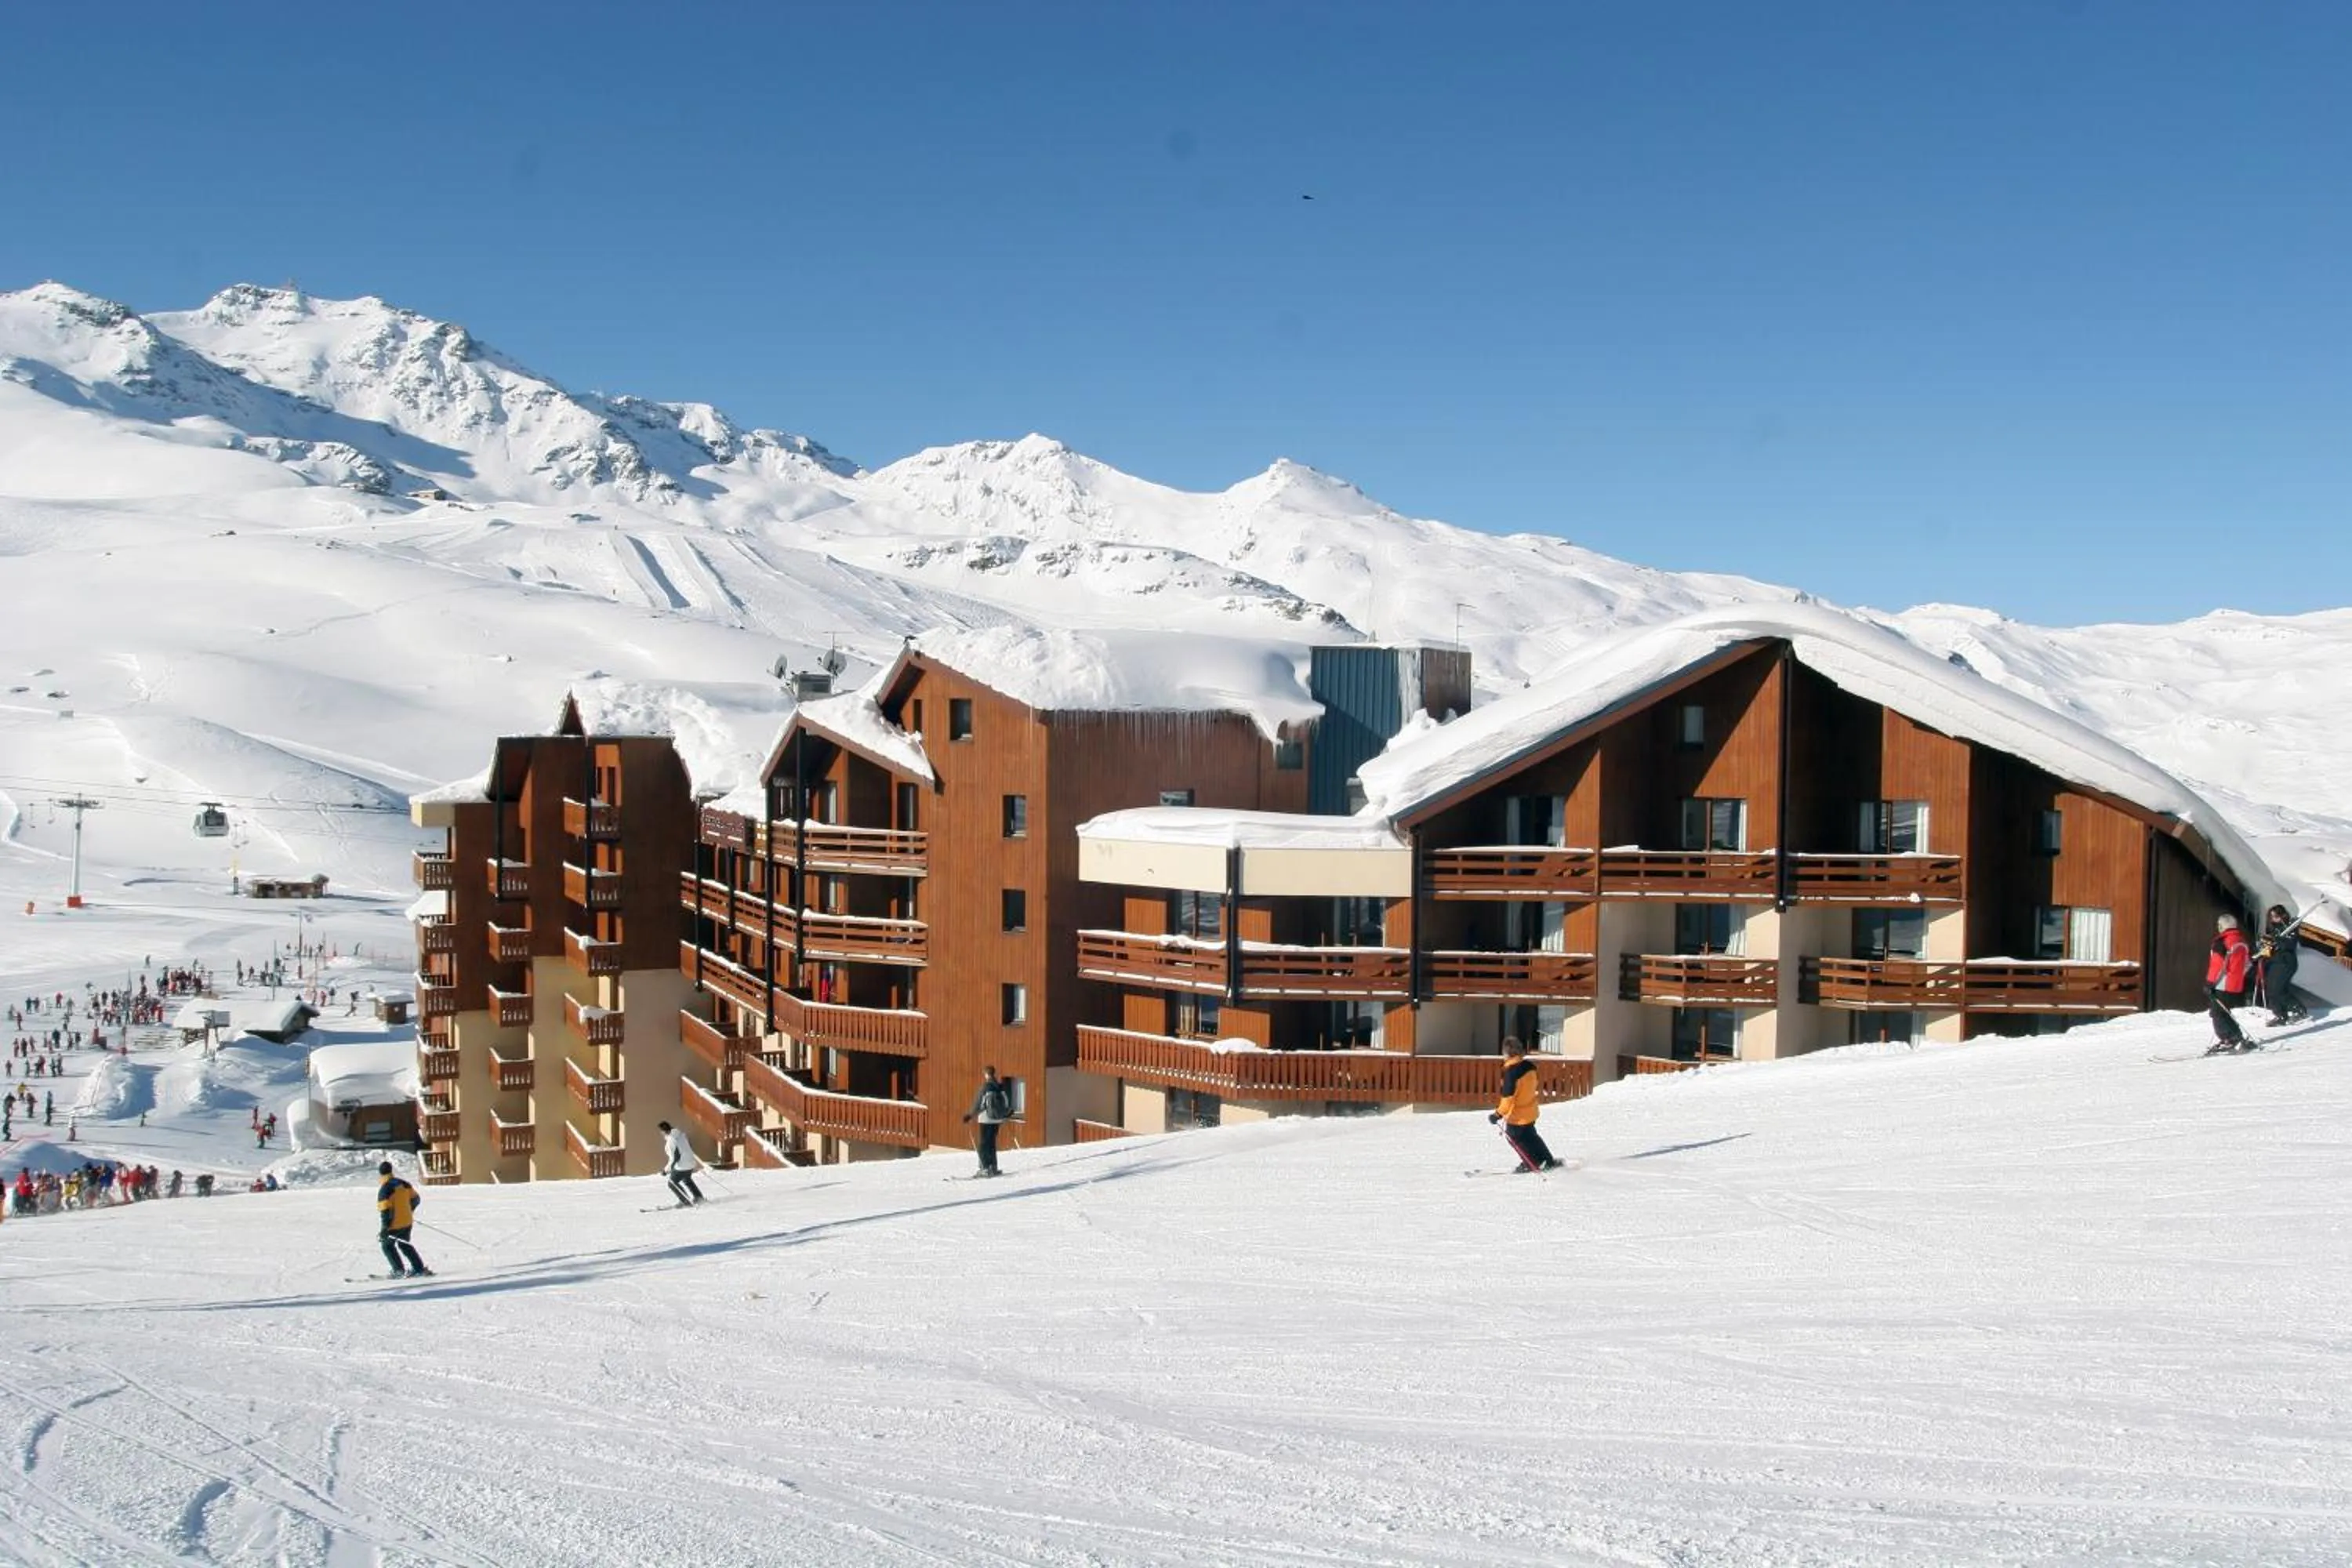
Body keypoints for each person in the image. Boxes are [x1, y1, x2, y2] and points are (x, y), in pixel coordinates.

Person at [1489, 1037, 1563, 1171]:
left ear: (1507, 1053)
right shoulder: (1529, 1067)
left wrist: (1497, 1114)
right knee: (1531, 1137)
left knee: (1516, 1138)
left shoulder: (1512, 1073)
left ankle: (1530, 1163)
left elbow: (1507, 1100)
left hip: (1518, 1115)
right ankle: (1547, 1160)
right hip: (1530, 1110)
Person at [2205, 913, 2254, 1053]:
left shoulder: (2222, 942)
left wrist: (2210, 983)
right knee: (2224, 1011)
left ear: (2222, 926)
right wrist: (2238, 977)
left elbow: (2217, 965)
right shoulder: (2242, 941)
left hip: (2222, 983)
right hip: (2236, 984)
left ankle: (2229, 1039)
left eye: (2219, 925)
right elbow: (2247, 964)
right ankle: (2237, 1037)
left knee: (2217, 1013)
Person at [2256, 905, 2310, 1026]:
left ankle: (2299, 1010)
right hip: (2274, 962)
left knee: (2278, 990)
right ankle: (2280, 1014)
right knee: (2271, 990)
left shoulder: (2289, 928)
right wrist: (2264, 945)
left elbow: (2290, 944)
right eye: (2271, 917)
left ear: (2282, 915)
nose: (2273, 919)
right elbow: (2271, 947)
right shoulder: (2273, 930)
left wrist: (2277, 940)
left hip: (2286, 962)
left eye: (2275, 916)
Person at [375, 1161, 430, 1277]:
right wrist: (408, 1212)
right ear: (391, 1171)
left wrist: (385, 1228)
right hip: (407, 1222)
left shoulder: (385, 1190)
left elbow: (385, 1211)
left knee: (387, 1246)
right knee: (404, 1244)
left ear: (380, 1173)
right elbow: (416, 1199)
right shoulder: (404, 1184)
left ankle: (398, 1270)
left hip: (394, 1225)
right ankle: (418, 1268)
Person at [962, 1066, 1012, 1177]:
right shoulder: (999, 1087)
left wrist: (970, 1115)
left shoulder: (985, 1087)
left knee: (983, 1145)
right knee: (992, 1143)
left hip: (985, 1119)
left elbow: (979, 1104)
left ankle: (984, 1168)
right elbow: (1007, 1101)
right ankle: (993, 1167)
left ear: (986, 1074)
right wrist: (1005, 1114)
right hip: (997, 1119)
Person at [656, 1120, 705, 1207]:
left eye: (661, 1131)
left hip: (683, 1165)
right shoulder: (681, 1135)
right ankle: (698, 1197)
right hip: (691, 1163)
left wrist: (665, 1170)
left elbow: (674, 1158)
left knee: (672, 1183)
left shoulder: (671, 1140)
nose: (661, 1133)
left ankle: (685, 1201)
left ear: (664, 1131)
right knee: (687, 1179)